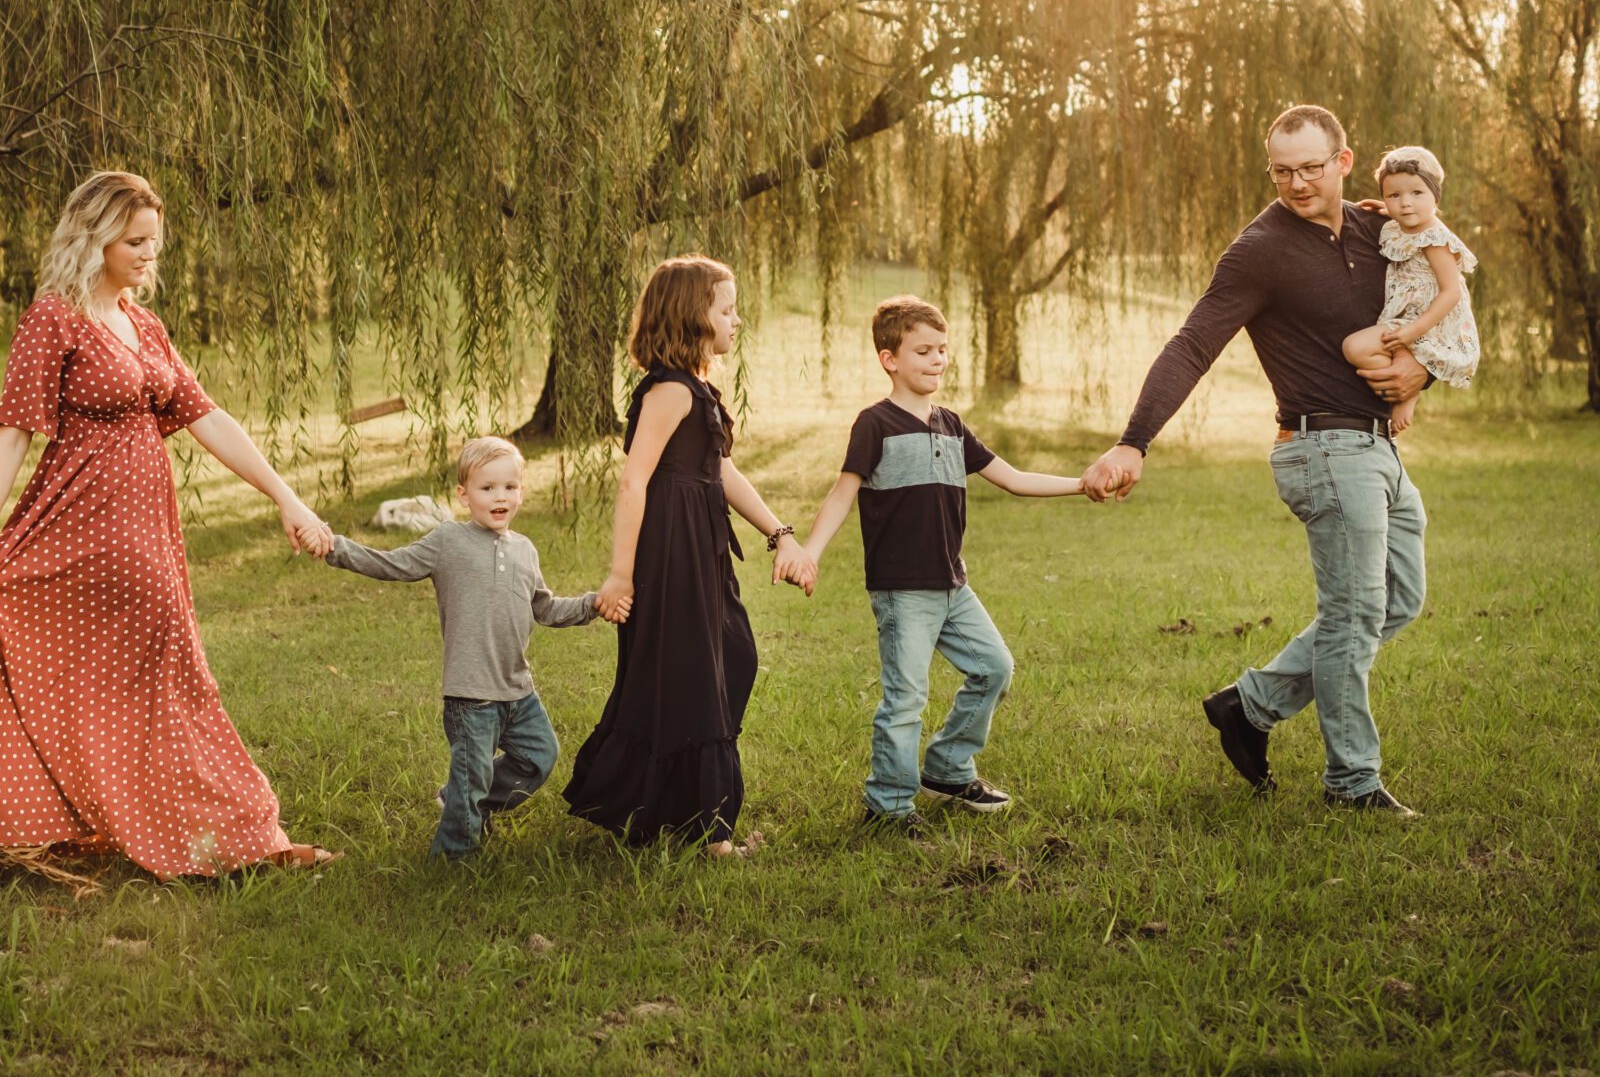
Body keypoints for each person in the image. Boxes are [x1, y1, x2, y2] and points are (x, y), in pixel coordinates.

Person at [0, 171, 343, 877]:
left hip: (144, 535)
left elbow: (209, 417)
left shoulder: (142, 324)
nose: (149, 255)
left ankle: (237, 836)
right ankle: (54, 821)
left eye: (154, 243)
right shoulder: (54, 317)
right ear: (96, 236)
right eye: (136, 241)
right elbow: (15, 432)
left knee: (173, 678)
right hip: (75, 524)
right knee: (28, 644)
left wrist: (286, 498)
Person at [1082, 106, 1432, 816]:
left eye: (1311, 167)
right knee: (1354, 612)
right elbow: (1192, 345)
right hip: (1322, 447)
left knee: (1396, 598)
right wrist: (1133, 440)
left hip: (1379, 447)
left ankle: (1250, 705)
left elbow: (1441, 304)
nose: (1297, 183)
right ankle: (1352, 783)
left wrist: (1423, 371)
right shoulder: (1260, 250)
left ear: (1343, 159)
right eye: (1282, 170)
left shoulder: (1379, 228)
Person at [795, 296, 1095, 837]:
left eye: (943, 351)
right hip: (902, 590)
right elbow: (842, 495)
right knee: (906, 696)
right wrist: (811, 552)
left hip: (953, 584)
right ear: (890, 359)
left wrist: (1080, 484)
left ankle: (949, 768)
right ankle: (886, 806)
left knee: (995, 667)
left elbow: (1015, 477)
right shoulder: (875, 424)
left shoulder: (952, 425)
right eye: (924, 351)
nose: (937, 360)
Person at [564, 256, 816, 855]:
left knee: (729, 657)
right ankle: (711, 835)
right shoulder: (670, 391)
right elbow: (633, 482)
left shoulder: (697, 387)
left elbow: (720, 470)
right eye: (726, 310)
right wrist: (621, 573)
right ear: (690, 316)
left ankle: (669, 812)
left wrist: (781, 533)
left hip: (701, 548)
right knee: (696, 675)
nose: (736, 321)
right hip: (670, 553)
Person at [320, 436, 600, 857]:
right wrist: (335, 548)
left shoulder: (524, 549)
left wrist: (593, 604)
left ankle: (461, 800)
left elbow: (545, 607)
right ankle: (453, 860)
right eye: (487, 488)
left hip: (518, 688)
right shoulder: (448, 541)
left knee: (540, 756)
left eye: (510, 486)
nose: (500, 496)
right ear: (464, 495)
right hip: (471, 695)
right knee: (471, 781)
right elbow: (392, 564)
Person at [1340, 145, 1481, 434]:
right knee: (1355, 348)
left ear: (1435, 195)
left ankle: (1407, 392)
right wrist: (1386, 212)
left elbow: (1451, 293)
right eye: (1394, 195)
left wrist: (1412, 332)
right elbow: (1401, 217)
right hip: (1405, 317)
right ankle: (1397, 381)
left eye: (1417, 194)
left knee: (1354, 346)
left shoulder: (1435, 239)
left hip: (1429, 323)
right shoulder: (1396, 226)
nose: (1405, 204)